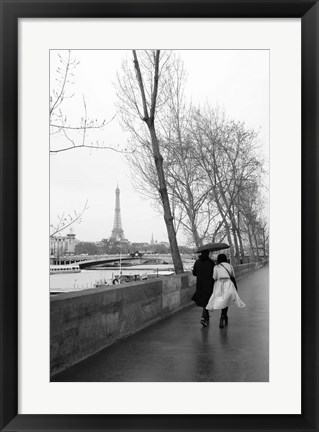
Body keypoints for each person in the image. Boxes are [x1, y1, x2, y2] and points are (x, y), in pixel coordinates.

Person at [206, 253, 245, 328]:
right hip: (228, 283)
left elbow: (214, 277)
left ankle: (223, 316)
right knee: (226, 300)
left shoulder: (216, 267)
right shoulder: (229, 266)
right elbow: (232, 275)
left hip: (219, 284)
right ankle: (223, 316)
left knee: (220, 299)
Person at [192, 249, 215, 327]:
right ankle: (203, 318)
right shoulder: (211, 263)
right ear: (208, 254)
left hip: (200, 284)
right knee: (207, 301)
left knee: (205, 301)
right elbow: (214, 275)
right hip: (209, 284)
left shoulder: (197, 262)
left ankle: (206, 317)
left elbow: (194, 273)